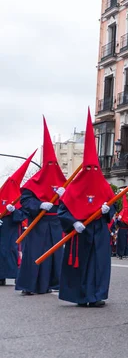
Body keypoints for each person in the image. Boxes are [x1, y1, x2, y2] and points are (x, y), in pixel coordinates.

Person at [58, 109, 116, 307]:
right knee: (80, 263)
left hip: (99, 229)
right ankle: (80, 296)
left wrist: (109, 211)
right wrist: (73, 222)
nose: (92, 172)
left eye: (94, 168)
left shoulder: (104, 185)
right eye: (88, 169)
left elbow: (112, 204)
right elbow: (62, 210)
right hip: (80, 231)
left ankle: (97, 295)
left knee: (99, 263)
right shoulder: (73, 187)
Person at [17, 118, 67, 295]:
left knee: (54, 256)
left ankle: (49, 285)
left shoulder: (63, 182)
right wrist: (39, 205)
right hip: (38, 223)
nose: (53, 168)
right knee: (34, 254)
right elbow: (25, 200)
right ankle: (29, 286)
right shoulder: (34, 182)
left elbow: (73, 202)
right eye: (49, 164)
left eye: (55, 164)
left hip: (55, 224)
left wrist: (65, 195)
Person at [0, 151, 36, 286]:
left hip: (12, 230)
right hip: (1, 228)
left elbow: (23, 216)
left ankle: (16, 275)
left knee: (12, 251)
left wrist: (14, 210)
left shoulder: (19, 198)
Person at [114, 195, 128, 260]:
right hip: (121, 231)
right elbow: (116, 223)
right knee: (121, 243)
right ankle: (120, 254)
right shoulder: (120, 216)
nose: (126, 210)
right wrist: (118, 220)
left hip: (127, 231)